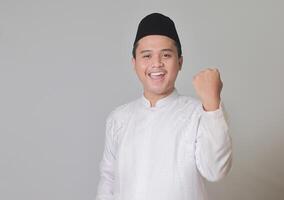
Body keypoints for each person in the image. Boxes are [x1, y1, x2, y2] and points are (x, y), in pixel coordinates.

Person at [95, 13, 232, 200]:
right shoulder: (118, 119)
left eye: (166, 55)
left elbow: (215, 171)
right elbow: (108, 180)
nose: (156, 64)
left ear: (180, 62)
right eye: (147, 56)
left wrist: (212, 104)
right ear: (134, 63)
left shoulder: (200, 113)